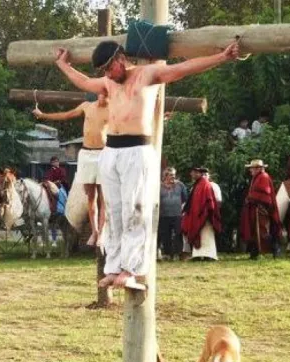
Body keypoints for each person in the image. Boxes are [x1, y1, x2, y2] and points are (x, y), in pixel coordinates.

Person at [53, 39, 239, 289]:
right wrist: (62, 64)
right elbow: (85, 82)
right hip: (111, 151)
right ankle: (114, 267)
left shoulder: (146, 74)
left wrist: (222, 57)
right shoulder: (108, 82)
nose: (107, 74)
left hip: (137, 149)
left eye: (109, 68)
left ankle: (132, 269)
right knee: (115, 211)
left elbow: (183, 69)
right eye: (104, 71)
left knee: (135, 209)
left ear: (120, 59)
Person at [33, 94, 107, 246]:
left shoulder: (113, 107)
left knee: (103, 197)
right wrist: (43, 115)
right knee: (91, 197)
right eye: (99, 91)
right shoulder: (87, 106)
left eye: (104, 92)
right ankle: (95, 232)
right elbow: (67, 115)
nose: (102, 95)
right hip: (87, 153)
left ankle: (102, 232)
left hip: (103, 153)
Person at [239, 160, 282, 259]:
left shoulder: (263, 177)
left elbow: (265, 193)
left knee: (262, 231)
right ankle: (255, 252)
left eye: (252, 168)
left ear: (258, 168)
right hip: (254, 208)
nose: (250, 170)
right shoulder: (256, 177)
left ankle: (275, 249)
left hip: (260, 208)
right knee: (254, 231)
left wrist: (251, 198)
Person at [181, 167, 222, 261]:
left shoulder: (204, 184)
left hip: (204, 215)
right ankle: (198, 255)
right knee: (200, 234)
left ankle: (209, 255)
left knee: (206, 234)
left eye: (194, 173)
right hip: (198, 215)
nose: (192, 174)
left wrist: (203, 213)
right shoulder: (198, 184)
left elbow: (208, 201)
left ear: (200, 174)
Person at [158, 168, 187, 261]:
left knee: (178, 234)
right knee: (165, 235)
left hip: (177, 214)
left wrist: (182, 209)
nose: (173, 176)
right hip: (163, 215)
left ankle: (178, 254)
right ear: (165, 176)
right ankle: (167, 254)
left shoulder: (180, 185)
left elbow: (185, 198)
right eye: (170, 175)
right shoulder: (159, 186)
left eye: (174, 174)